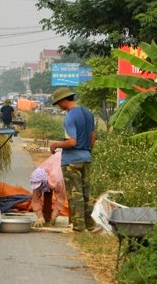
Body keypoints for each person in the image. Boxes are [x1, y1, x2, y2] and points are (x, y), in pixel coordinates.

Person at [49, 87, 98, 233]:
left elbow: (71, 142)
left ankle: (78, 228)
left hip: (71, 161)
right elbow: (93, 137)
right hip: (86, 158)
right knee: (86, 194)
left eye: (58, 103)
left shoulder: (70, 116)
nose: (59, 106)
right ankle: (90, 226)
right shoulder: (88, 113)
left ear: (63, 101)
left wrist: (55, 145)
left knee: (75, 195)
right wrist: (87, 151)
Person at [30, 151, 66, 228]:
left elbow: (61, 199)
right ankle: (45, 218)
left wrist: (53, 217)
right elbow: (35, 198)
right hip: (53, 164)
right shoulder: (37, 176)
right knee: (43, 192)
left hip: (66, 159)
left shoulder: (57, 180)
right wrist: (39, 217)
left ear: (45, 181)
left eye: (40, 185)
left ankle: (52, 218)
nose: (38, 187)